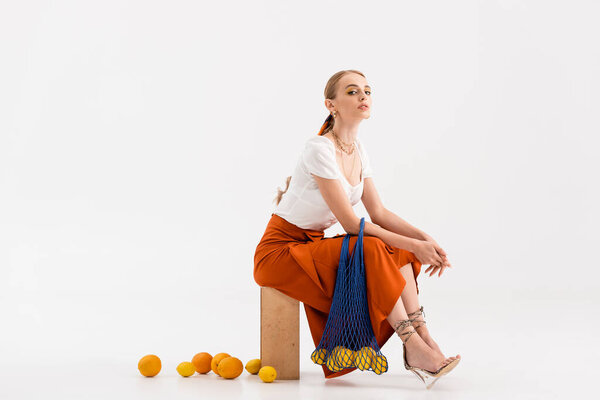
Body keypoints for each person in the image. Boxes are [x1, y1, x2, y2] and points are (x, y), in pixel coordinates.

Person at [253, 69, 461, 386]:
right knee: (373, 246)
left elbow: (378, 213)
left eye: (367, 90)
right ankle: (413, 345)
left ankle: (424, 337)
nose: (363, 96)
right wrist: (415, 246)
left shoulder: (358, 150)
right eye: (352, 91)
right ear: (330, 104)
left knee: (394, 245)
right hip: (279, 254)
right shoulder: (318, 148)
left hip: (309, 246)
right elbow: (353, 225)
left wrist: (423, 238)